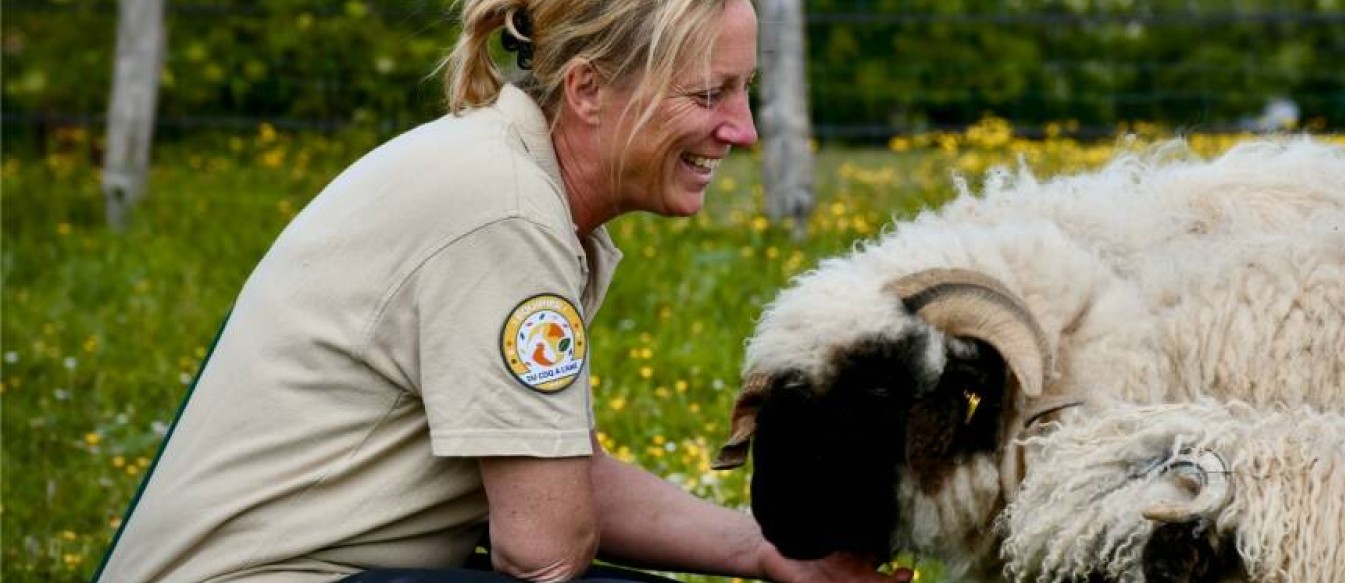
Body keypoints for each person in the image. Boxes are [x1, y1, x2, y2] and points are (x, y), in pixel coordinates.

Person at [95, 1, 914, 582]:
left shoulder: (510, 180)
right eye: (707, 94)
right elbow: (545, 549)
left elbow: (561, 471)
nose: (743, 128)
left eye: (743, 90)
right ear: (588, 90)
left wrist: (768, 553)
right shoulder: (507, 214)